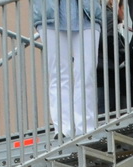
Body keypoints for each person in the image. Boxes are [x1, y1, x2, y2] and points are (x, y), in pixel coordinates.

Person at [32, 0, 103, 135]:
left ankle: (85, 128)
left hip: (87, 14)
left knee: (86, 74)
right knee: (58, 75)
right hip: (49, 13)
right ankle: (63, 129)